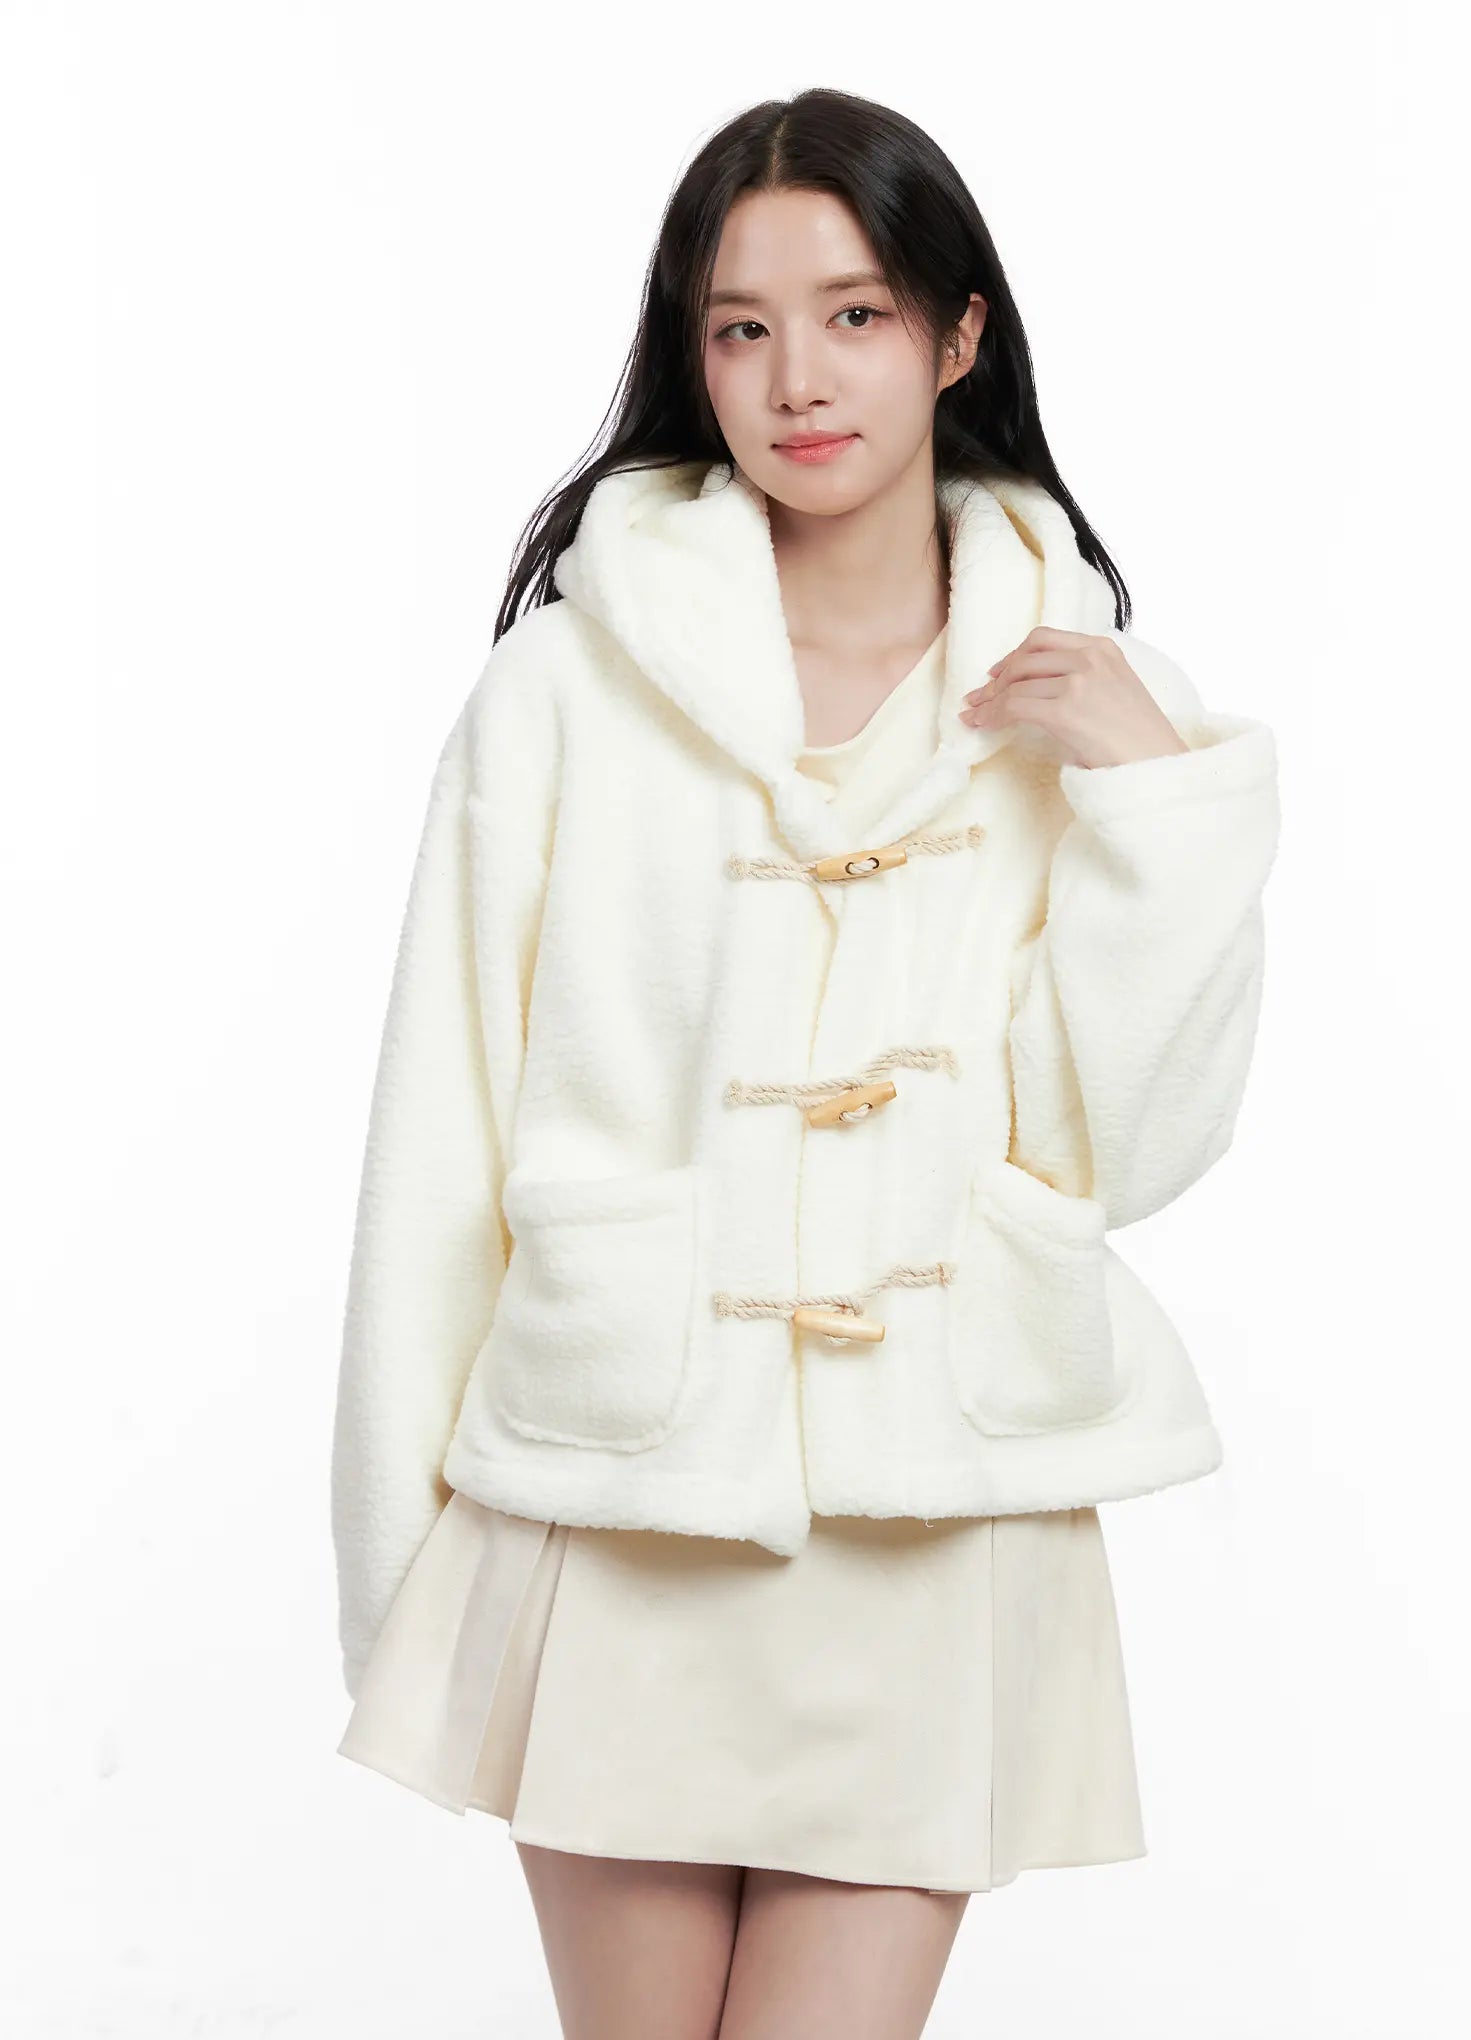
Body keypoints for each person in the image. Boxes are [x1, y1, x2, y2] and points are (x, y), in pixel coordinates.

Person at [329, 85, 1280, 2040]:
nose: (798, 380)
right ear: (693, 357)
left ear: (959, 333)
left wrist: (1160, 811)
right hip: (622, 1494)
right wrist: (399, 1563)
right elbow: (441, 1130)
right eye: (742, 327)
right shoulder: (563, 690)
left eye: (855, 315)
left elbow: (1133, 1148)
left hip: (935, 1505)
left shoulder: (1094, 713)